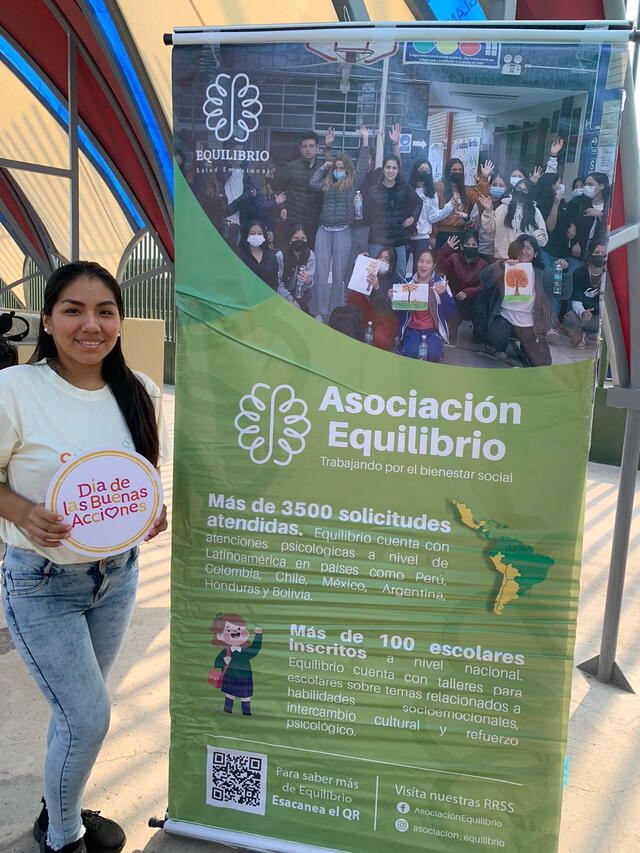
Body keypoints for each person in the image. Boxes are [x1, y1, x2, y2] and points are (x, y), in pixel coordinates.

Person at [0, 261, 169, 853]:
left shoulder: (142, 391)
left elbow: (139, 479)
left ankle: (57, 806)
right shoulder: (15, 390)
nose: (90, 324)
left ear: (120, 320)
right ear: (47, 320)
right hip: (41, 584)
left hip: (117, 577)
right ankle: (65, 838)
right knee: (88, 717)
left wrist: (150, 511)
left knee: (75, 711)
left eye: (105, 311)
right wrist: (19, 510)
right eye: (73, 310)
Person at [309, 125, 370, 322]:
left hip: (343, 230)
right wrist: (325, 164)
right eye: (336, 168)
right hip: (324, 230)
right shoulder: (327, 184)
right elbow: (313, 182)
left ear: (347, 170)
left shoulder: (352, 184)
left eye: (341, 168)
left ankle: (335, 312)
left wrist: (365, 140)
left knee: (338, 274)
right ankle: (320, 311)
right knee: (320, 272)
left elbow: (362, 166)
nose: (338, 171)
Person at [475, 235, 552, 366]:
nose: (524, 251)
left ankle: (524, 347)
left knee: (543, 362)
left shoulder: (542, 273)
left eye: (529, 248)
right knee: (496, 336)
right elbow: (483, 278)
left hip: (530, 321)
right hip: (506, 317)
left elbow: (559, 294)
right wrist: (500, 265)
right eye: (521, 247)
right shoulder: (506, 266)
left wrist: (564, 271)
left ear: (536, 253)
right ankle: (500, 344)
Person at [367, 154, 422, 282]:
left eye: (394, 168)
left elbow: (418, 203)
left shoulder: (404, 187)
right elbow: (367, 214)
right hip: (378, 240)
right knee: (374, 275)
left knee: (400, 276)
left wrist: (413, 218)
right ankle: (377, 301)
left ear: (398, 170)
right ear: (383, 169)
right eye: (388, 167)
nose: (391, 171)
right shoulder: (373, 190)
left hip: (399, 239)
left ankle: (396, 302)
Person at [397, 249, 455, 362]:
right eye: (421, 261)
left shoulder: (441, 284)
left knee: (432, 355)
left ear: (433, 266)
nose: (423, 265)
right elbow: (398, 313)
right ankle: (405, 345)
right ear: (417, 262)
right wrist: (394, 298)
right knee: (411, 354)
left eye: (428, 262)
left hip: (433, 330)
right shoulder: (408, 283)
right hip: (412, 329)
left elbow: (450, 313)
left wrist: (443, 295)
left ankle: (438, 346)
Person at [277, 129, 334, 246]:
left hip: (315, 220)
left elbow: (333, 173)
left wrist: (328, 146)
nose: (308, 149)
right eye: (305, 146)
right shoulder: (290, 167)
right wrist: (282, 207)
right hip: (293, 218)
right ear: (300, 148)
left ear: (317, 148)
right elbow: (279, 188)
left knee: (312, 254)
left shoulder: (323, 167)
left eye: (311, 146)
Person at [436, 233, 487, 343]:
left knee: (482, 304)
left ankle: (478, 336)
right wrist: (446, 249)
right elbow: (437, 265)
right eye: (468, 244)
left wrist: (468, 292)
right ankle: (450, 338)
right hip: (455, 299)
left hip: (473, 302)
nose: (471, 246)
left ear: (478, 247)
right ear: (462, 246)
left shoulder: (483, 264)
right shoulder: (453, 258)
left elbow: (484, 286)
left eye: (474, 245)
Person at [480, 177, 548, 260]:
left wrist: (535, 237)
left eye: (525, 190)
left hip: (524, 260)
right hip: (503, 258)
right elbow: (489, 229)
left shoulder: (535, 212)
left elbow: (543, 238)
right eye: (519, 188)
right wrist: (488, 211)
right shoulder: (503, 208)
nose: (521, 192)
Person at [347, 247, 401, 350]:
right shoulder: (371, 271)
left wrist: (377, 287)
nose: (382, 261)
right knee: (355, 295)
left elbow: (388, 310)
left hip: (384, 318)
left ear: (391, 264)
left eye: (386, 259)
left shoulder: (395, 280)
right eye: (380, 257)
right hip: (367, 315)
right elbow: (356, 286)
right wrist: (359, 263)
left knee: (381, 341)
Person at [209, 613, 263, 716]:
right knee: (229, 695)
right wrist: (224, 661)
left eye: (239, 629)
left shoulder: (245, 652)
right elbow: (217, 662)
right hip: (229, 676)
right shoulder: (226, 652)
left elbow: (255, 649)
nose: (235, 633)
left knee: (245, 696)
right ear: (220, 636)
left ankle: (246, 713)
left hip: (244, 677)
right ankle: (227, 711)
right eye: (229, 630)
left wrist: (258, 635)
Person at [433, 157, 492, 247]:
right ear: (448, 171)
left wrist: (484, 178)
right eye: (454, 170)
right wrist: (432, 235)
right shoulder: (439, 186)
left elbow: (482, 200)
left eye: (460, 170)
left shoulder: (467, 190)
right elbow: (432, 212)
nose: (457, 172)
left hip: (461, 233)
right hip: (440, 233)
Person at [407, 159, 454, 266]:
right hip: (405, 236)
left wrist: (449, 206)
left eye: (427, 170)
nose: (424, 172)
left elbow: (433, 217)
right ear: (416, 170)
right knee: (399, 271)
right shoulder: (407, 188)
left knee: (420, 270)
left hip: (422, 238)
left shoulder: (431, 192)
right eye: (421, 169)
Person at [562, 243, 605, 347]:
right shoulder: (580, 273)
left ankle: (592, 335)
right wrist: (582, 313)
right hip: (585, 315)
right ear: (590, 256)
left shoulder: (609, 274)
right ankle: (583, 334)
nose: (600, 256)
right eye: (597, 253)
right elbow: (575, 299)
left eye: (603, 253)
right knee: (569, 318)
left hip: (603, 317)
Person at [564, 171, 610, 259]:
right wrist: (575, 239)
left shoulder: (608, 205)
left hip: (599, 247)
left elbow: (611, 226)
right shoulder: (579, 201)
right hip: (579, 245)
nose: (586, 187)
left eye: (590, 184)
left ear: (601, 186)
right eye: (585, 184)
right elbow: (569, 217)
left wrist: (600, 215)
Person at [275, 224, 316, 312]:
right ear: (290, 240)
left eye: (303, 239)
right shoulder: (280, 256)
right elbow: (277, 283)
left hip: (301, 294)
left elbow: (308, 285)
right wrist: (291, 300)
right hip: (282, 295)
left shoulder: (310, 255)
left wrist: (308, 281)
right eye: (296, 238)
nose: (299, 241)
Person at [470, 173, 507, 263]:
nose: (497, 187)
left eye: (501, 185)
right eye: (494, 184)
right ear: (489, 186)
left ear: (506, 188)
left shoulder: (507, 205)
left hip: (502, 251)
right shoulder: (480, 203)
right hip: (484, 250)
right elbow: (474, 227)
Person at [238, 221, 279, 291]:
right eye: (252, 233)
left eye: (259, 233)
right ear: (246, 235)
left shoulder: (271, 257)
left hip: (266, 297)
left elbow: (275, 282)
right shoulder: (239, 256)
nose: (256, 236)